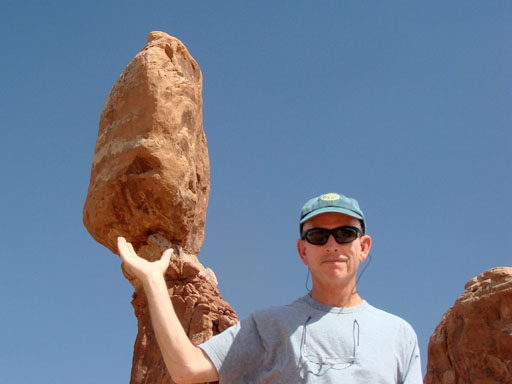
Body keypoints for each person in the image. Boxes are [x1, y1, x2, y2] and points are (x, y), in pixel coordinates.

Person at [117, 192, 422, 383]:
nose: (332, 245)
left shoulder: (399, 335)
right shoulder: (268, 326)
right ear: (303, 251)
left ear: (363, 246)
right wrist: (153, 280)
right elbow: (187, 369)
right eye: (318, 236)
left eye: (345, 234)